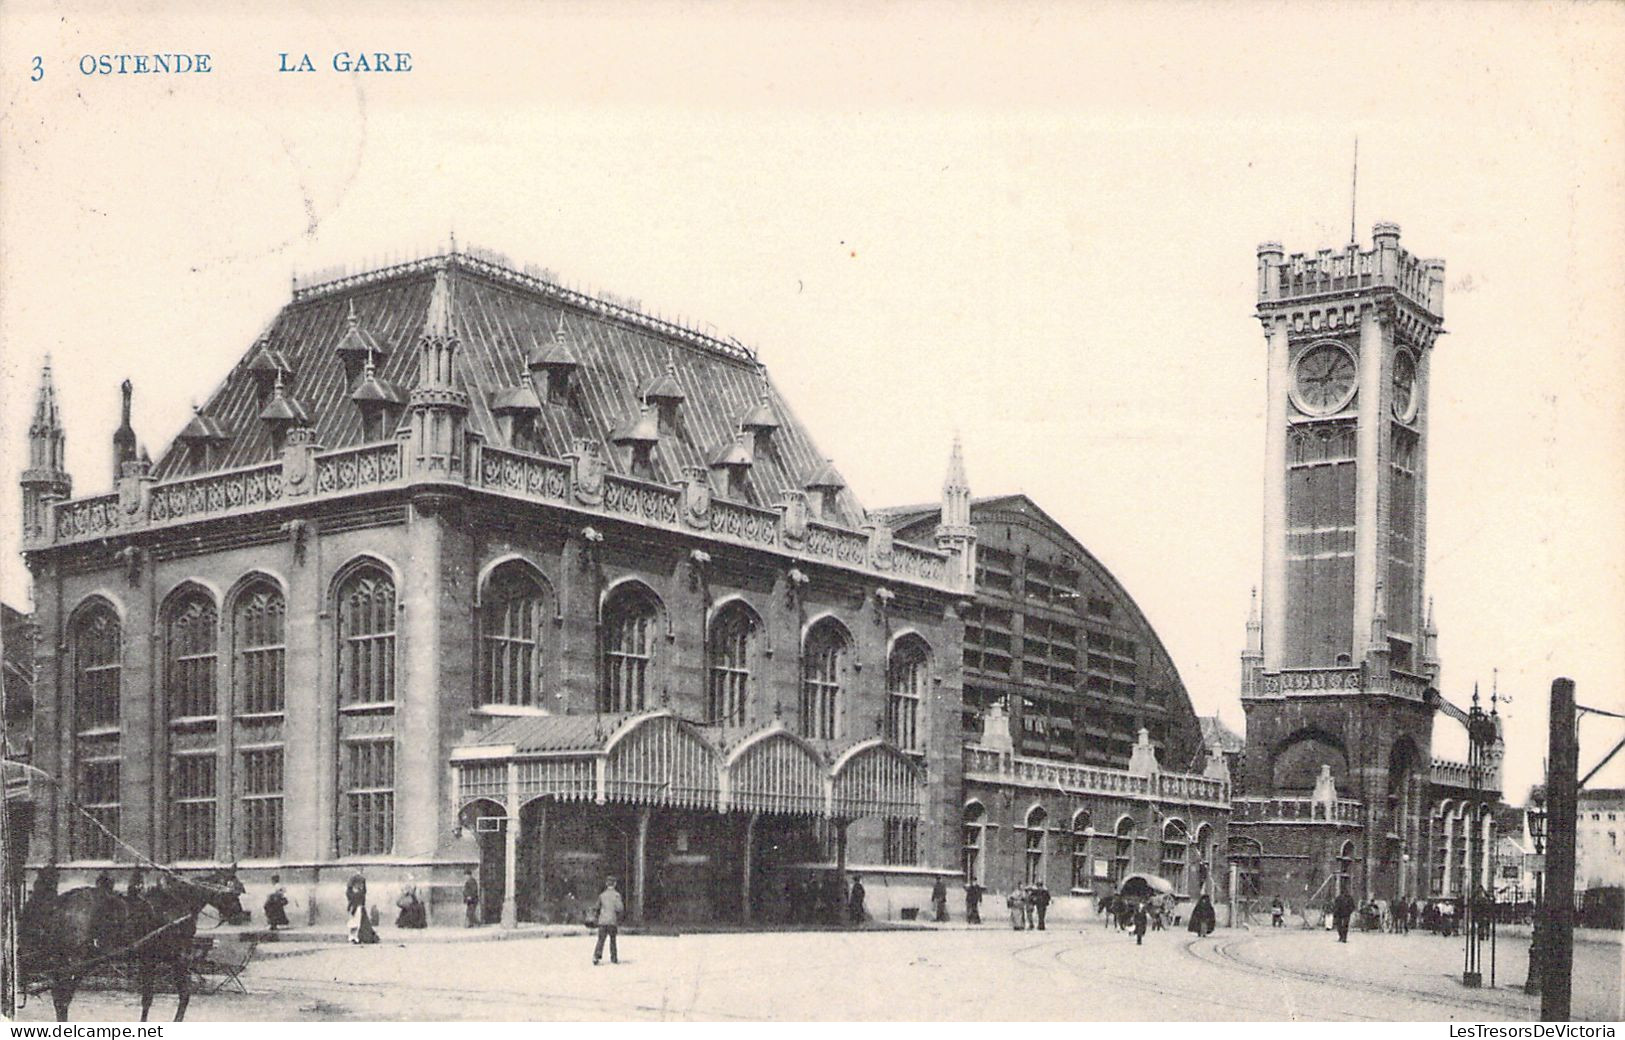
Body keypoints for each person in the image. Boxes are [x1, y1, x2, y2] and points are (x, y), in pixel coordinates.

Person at [592, 876, 624, 965]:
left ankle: (596, 956)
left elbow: (596, 907)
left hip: (602, 921)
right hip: (612, 921)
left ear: (606, 884)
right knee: (612, 940)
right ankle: (613, 957)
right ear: (615, 884)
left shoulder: (602, 895)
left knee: (601, 940)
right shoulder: (617, 895)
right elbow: (620, 908)